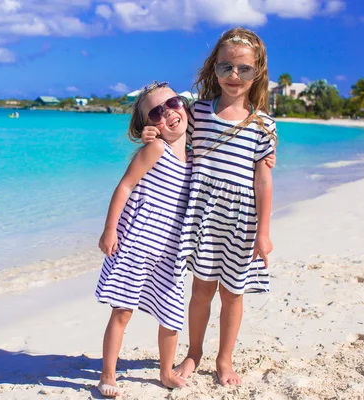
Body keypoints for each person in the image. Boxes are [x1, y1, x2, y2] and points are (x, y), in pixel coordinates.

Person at [142, 27, 276, 387]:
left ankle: (224, 359)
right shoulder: (198, 112)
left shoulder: (262, 125)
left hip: (239, 222)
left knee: (232, 293)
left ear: (257, 72)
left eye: (244, 69)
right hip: (202, 217)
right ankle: (194, 352)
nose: (234, 76)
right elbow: (171, 140)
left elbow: (263, 182)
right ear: (213, 69)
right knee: (201, 290)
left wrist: (263, 232)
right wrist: (151, 134)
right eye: (225, 67)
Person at [94, 81, 192, 397]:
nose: (169, 113)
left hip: (170, 250)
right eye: (157, 112)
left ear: (184, 104)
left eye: (173, 103)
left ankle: (166, 371)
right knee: (122, 311)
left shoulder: (195, 156)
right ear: (150, 124)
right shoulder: (155, 149)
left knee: (171, 313)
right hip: (137, 244)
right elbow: (124, 186)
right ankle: (107, 375)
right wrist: (110, 229)